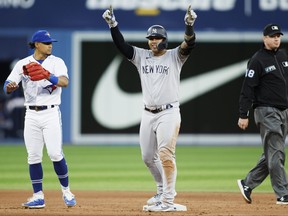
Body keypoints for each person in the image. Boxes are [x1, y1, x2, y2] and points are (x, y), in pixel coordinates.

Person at [102, 5, 197, 212]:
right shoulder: (141, 56)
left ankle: (168, 202)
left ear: (165, 39)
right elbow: (122, 45)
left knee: (165, 155)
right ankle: (161, 190)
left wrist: (189, 26)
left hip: (169, 112)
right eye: (150, 38)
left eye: (156, 38)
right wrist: (113, 25)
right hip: (147, 113)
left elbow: (189, 44)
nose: (153, 41)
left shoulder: (175, 56)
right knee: (147, 157)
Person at [3, 30, 76, 208]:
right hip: (31, 114)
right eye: (46, 42)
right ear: (37, 44)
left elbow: (65, 82)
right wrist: (11, 87)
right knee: (33, 156)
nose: (50, 45)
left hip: (51, 112)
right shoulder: (23, 64)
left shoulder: (57, 62)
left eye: (51, 42)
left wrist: (47, 75)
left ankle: (67, 192)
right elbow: (7, 86)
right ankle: (38, 196)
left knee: (55, 153)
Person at [237, 23, 288, 205]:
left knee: (272, 153)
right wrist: (243, 114)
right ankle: (283, 193)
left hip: (284, 111)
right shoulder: (257, 60)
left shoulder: (283, 56)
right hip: (266, 111)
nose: (276, 38)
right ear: (264, 38)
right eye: (273, 36)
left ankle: (248, 183)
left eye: (278, 35)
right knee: (277, 153)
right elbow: (247, 88)